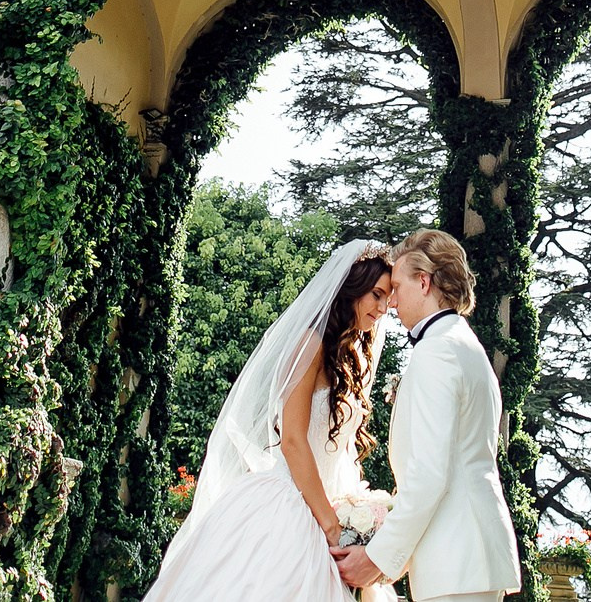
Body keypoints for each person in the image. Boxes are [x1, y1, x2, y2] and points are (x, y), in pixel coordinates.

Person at [143, 240, 397, 602]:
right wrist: (331, 523)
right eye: (376, 294)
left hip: (331, 499)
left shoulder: (350, 357)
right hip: (291, 505)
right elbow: (293, 440)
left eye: (387, 298)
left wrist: (355, 512)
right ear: (350, 290)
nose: (383, 307)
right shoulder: (309, 345)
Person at [334, 228, 521, 602]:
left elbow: (430, 473)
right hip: (466, 559)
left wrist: (376, 558)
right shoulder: (463, 343)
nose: (390, 303)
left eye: (398, 287)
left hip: (456, 559)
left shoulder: (438, 352)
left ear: (424, 282)